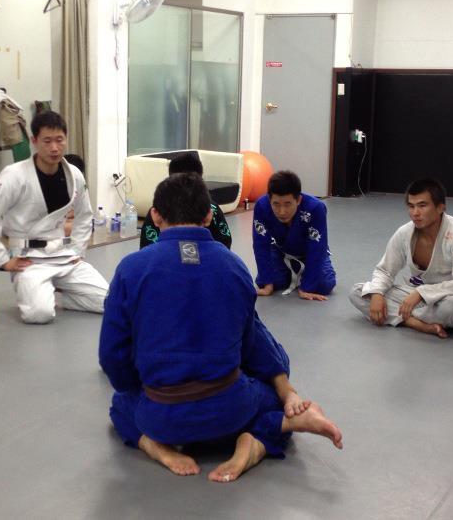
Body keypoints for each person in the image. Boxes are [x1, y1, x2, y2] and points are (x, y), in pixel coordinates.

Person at [100, 173, 342, 483]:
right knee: (270, 396)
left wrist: (143, 387)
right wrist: (285, 388)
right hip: (230, 410)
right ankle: (259, 440)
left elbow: (112, 355)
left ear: (156, 216)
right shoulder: (233, 265)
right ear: (209, 216)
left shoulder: (131, 269)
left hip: (162, 415)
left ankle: (154, 445)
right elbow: (253, 344)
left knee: (121, 405)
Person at [0, 111, 108, 324]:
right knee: (39, 314)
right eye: (47, 141)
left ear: (66, 139)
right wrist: (2, 261)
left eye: (59, 140)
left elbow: (85, 215)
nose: (54, 148)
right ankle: (41, 292)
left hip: (64, 255)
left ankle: (64, 294)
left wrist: (78, 249)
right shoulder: (15, 175)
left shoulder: (74, 174)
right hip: (29, 259)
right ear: (34, 141)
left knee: (110, 302)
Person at [349, 179, 453, 338]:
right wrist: (377, 293)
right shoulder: (404, 233)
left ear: (440, 207)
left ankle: (405, 317)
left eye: (422, 205)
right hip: (418, 298)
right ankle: (416, 323)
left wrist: (421, 292)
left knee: (451, 309)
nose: (415, 213)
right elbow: (385, 270)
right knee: (358, 292)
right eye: (411, 206)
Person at [252, 170, 336, 301]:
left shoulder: (315, 208)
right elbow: (260, 244)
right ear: (269, 200)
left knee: (324, 284)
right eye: (276, 204)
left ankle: (302, 274)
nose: (282, 211)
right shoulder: (262, 206)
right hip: (281, 251)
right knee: (268, 281)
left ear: (298, 200)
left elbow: (317, 247)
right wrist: (267, 283)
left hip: (310, 252)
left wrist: (307, 287)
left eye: (287, 204)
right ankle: (293, 272)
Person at [139, 152, 232, 249]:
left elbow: (146, 246)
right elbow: (225, 241)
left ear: (170, 177)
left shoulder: (158, 209)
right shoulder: (211, 208)